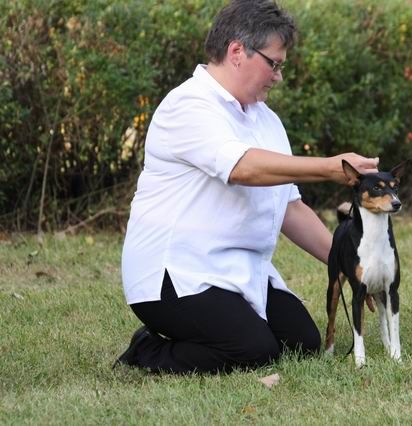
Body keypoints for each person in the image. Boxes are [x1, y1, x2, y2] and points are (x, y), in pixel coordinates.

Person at [114, 0, 379, 374]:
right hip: (175, 273)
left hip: (239, 269)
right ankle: (146, 350)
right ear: (237, 51)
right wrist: (328, 167)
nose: (278, 77)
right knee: (254, 350)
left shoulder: (265, 120)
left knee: (303, 343)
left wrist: (352, 264)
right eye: (274, 64)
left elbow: (290, 209)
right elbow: (242, 168)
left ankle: (221, 326)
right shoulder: (187, 105)